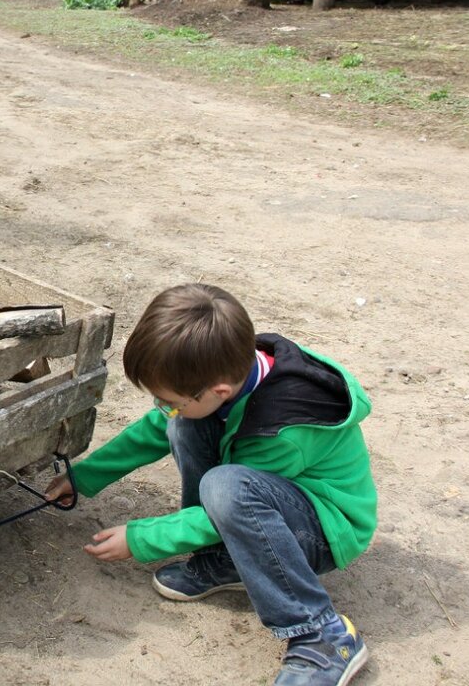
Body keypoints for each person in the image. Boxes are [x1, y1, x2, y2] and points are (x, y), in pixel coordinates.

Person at [48, 284, 376, 686]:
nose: (162, 406)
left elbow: (235, 505)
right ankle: (225, 560)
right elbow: (158, 427)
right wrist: (84, 478)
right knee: (185, 424)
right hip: (271, 507)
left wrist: (141, 538)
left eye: (169, 398)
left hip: (323, 530)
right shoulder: (227, 377)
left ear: (218, 391)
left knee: (227, 487)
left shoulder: (282, 431)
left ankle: (321, 634)